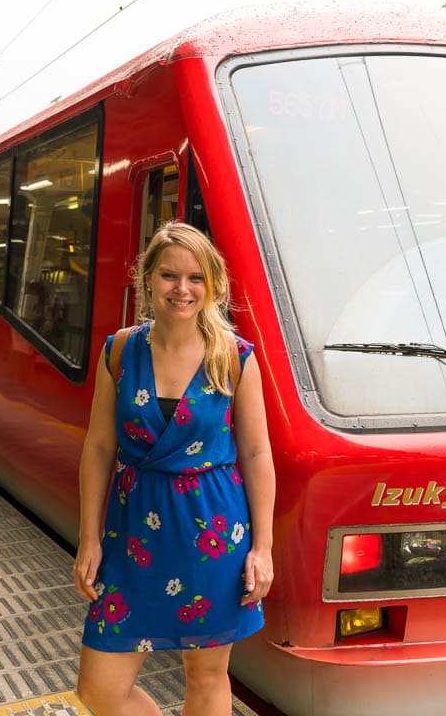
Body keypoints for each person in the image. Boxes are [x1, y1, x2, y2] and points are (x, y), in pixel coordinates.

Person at [74, 222, 275, 716]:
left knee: (205, 676)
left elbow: (256, 455)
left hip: (213, 534)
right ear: (147, 280)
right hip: (131, 535)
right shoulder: (120, 351)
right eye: (168, 275)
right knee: (98, 688)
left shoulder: (235, 358)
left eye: (195, 278)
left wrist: (263, 548)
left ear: (213, 285)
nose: (182, 289)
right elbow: (99, 447)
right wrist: (89, 537)